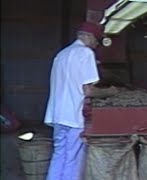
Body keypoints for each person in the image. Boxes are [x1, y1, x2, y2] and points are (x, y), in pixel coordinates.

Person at [44, 22, 118, 180]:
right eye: (96, 41)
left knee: (59, 156)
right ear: (89, 37)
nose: (96, 45)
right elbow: (88, 90)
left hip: (57, 115)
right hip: (73, 116)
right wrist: (109, 92)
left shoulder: (62, 54)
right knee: (72, 159)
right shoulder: (85, 53)